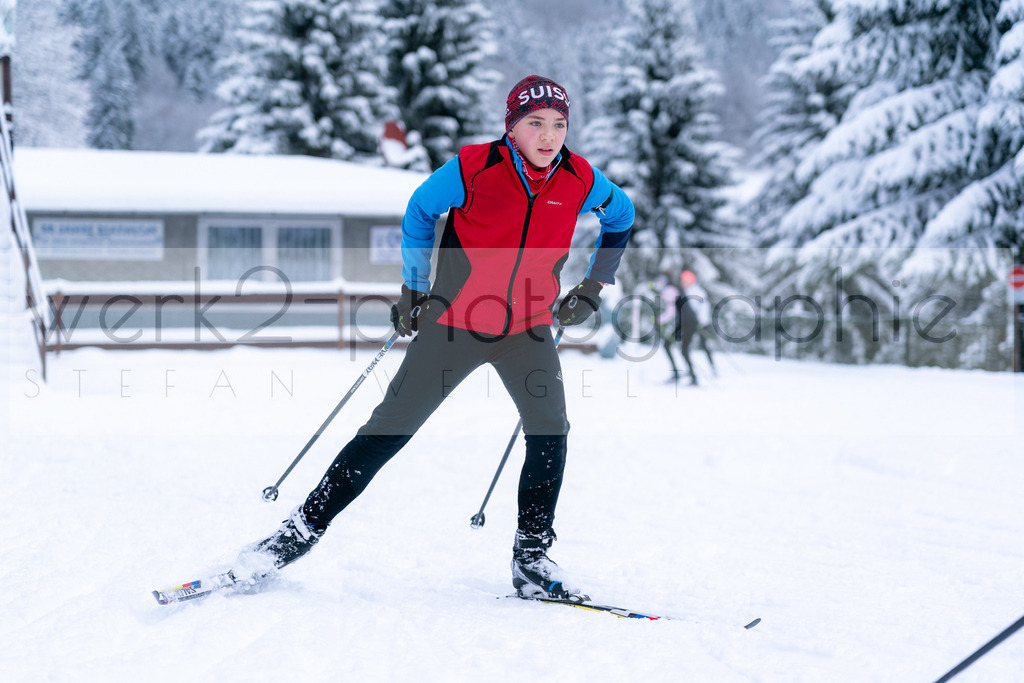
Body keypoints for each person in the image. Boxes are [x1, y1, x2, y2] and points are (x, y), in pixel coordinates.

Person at [233, 75, 635, 600]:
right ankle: (294, 535)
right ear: (511, 126)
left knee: (550, 430)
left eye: (558, 125)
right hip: (454, 326)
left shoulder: (580, 179)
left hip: (528, 330)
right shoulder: (474, 167)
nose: (548, 136)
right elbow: (421, 211)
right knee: (388, 430)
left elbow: (620, 217)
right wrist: (413, 288)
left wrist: (592, 285)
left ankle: (532, 558)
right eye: (535, 123)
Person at [657, 270, 715, 385]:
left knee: (683, 348)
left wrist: (659, 320)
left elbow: (672, 311)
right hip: (685, 324)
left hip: (689, 324)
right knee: (672, 346)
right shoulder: (679, 288)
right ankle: (684, 375)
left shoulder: (674, 289)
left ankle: (693, 376)